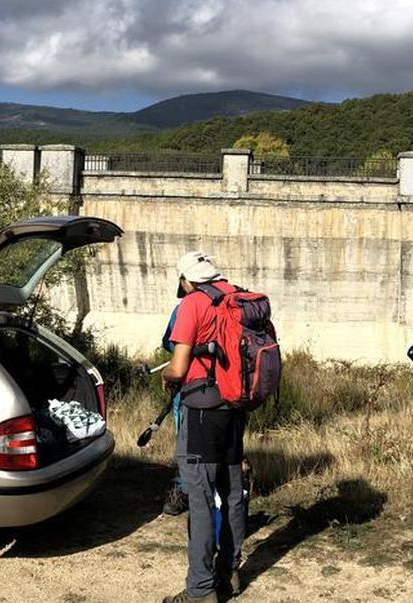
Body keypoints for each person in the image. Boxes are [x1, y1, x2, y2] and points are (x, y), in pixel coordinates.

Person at [161, 252, 247, 603]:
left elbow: (179, 369)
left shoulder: (192, 305)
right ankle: (230, 572)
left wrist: (168, 376)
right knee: (232, 491)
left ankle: (200, 590)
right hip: (235, 406)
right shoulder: (238, 296)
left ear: (186, 279)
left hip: (201, 413)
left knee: (199, 500)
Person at [160, 305, 188, 516]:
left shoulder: (185, 308)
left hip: (191, 390)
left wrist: (168, 373)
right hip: (230, 390)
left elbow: (170, 344)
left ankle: (182, 490)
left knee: (186, 443)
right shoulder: (231, 301)